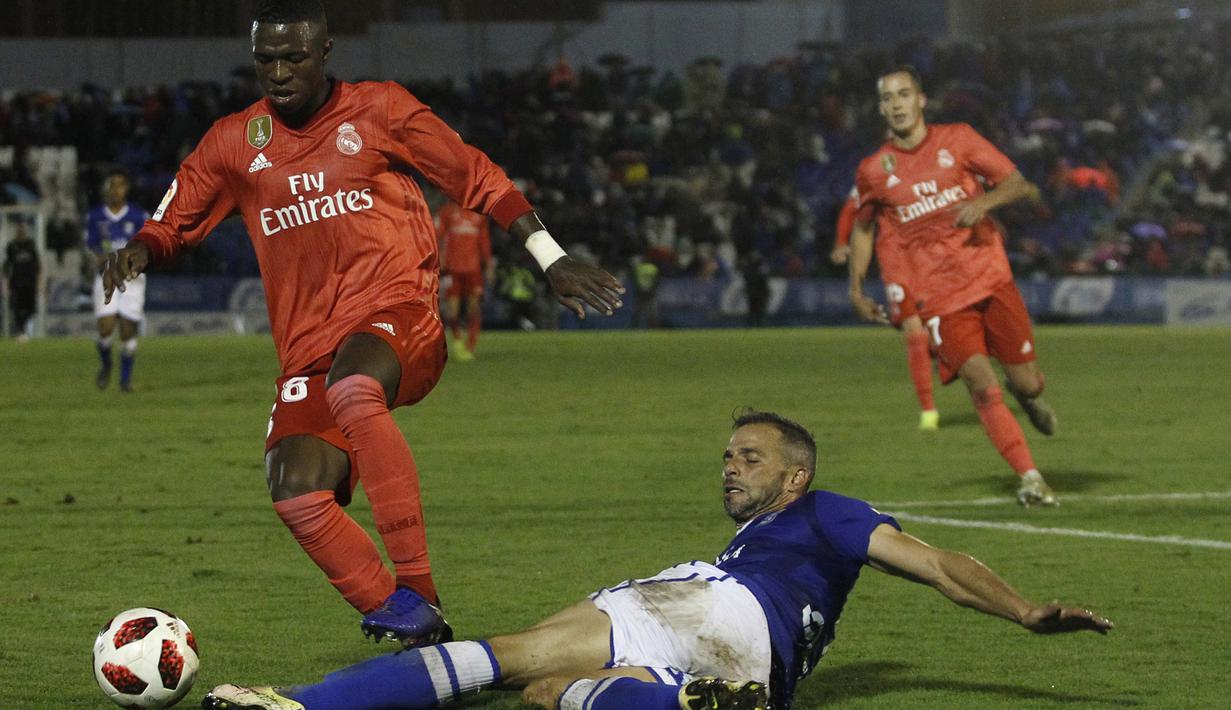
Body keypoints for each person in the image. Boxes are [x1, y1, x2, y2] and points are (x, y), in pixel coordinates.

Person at [102, 0, 624, 649]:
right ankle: (421, 635)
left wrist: (550, 256)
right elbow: (174, 218)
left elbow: (477, 177)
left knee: (353, 387)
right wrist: (141, 250)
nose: (279, 71)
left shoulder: (379, 110)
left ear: (325, 52)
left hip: (397, 314)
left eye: (294, 57)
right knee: (295, 489)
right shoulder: (237, 141)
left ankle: (417, 587)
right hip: (308, 349)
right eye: (267, 59)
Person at [202, 410, 1112, 710]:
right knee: (548, 695)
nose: (729, 467)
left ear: (794, 477)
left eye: (748, 458)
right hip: (759, 665)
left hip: (716, 608)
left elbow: (936, 562)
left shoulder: (829, 514)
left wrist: (1024, 609)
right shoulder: (781, 532)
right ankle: (670, 697)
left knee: (513, 655)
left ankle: (305, 704)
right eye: (726, 455)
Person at [848, 66, 1060, 506]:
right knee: (981, 384)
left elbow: (1017, 183)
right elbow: (864, 228)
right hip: (938, 296)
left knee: (1028, 382)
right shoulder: (873, 170)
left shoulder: (959, 139)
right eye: (888, 98)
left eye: (904, 94)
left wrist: (984, 202)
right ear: (881, 108)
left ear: (921, 100)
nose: (897, 104)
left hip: (990, 276)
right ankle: (1031, 478)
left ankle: (1030, 396)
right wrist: (856, 288)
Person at [832, 186, 939, 430]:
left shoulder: (933, 162)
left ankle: (938, 350)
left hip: (934, 259)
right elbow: (852, 209)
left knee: (940, 331)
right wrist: (840, 242)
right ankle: (928, 410)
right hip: (897, 262)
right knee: (915, 334)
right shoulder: (876, 170)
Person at [86, 169, 149, 391]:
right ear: (107, 189)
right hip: (107, 277)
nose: (116, 189)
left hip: (133, 280)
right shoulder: (95, 216)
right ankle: (106, 364)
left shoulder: (138, 216)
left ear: (126, 189)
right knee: (105, 328)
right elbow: (90, 245)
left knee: (127, 331)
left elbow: (149, 243)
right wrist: (98, 257)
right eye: (112, 185)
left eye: (120, 185)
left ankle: (125, 380)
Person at [434, 199, 492, 361]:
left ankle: (470, 346)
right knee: (452, 311)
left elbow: (484, 242)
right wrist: (440, 257)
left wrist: (488, 266)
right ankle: (458, 340)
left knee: (473, 309)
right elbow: (436, 235)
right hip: (453, 270)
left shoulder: (478, 215)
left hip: (473, 270)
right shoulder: (446, 212)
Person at [2, 222, 41, 342]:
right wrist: (5, 282)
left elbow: (37, 264)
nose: (20, 231)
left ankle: (24, 329)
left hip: (30, 282)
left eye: (22, 229)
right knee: (17, 308)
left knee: (30, 308)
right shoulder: (12, 246)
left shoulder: (30, 245)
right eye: (18, 229)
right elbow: (7, 265)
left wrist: (40, 281)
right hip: (16, 283)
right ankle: (21, 330)